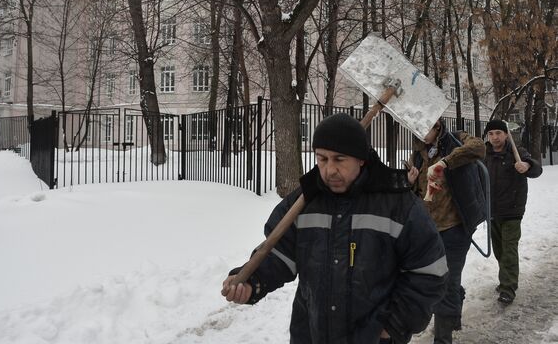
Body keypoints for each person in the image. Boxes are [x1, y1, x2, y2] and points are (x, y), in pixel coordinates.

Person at [222, 113, 448, 344]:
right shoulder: (302, 203)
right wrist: (253, 281)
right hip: (310, 335)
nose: (330, 170)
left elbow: (429, 272)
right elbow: (279, 255)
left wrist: (395, 325)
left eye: (339, 159)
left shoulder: (398, 206)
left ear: (361, 159)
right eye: (322, 159)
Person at [407, 119, 487, 344]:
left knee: (447, 282)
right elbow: (419, 193)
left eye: (426, 128)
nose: (422, 133)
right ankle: (455, 307)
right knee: (438, 280)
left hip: (455, 227)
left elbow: (479, 148)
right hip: (430, 229)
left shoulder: (456, 139)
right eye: (418, 129)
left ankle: (443, 338)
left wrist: (446, 162)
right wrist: (410, 182)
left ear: (438, 126)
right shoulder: (418, 154)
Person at [483, 119, 542, 305]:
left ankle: (508, 287)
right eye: (491, 134)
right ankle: (506, 278)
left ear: (506, 135)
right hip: (492, 211)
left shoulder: (517, 153)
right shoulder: (484, 154)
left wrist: (527, 166)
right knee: (499, 250)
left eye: (498, 133)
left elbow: (536, 168)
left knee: (509, 249)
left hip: (512, 210)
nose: (494, 137)